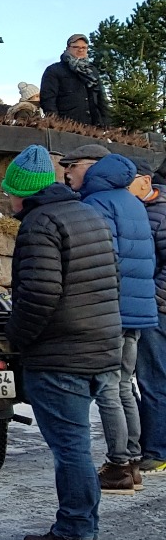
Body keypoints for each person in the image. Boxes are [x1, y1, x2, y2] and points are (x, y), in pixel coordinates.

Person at [0, 145, 123, 540]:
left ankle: (74, 530)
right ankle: (81, 524)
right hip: (100, 343)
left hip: (60, 352)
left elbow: (38, 293)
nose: (8, 201)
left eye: (9, 193)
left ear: (24, 192)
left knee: (70, 447)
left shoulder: (39, 224)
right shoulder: (88, 213)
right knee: (77, 444)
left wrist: (17, 338)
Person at [76, 154, 159, 494]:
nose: (69, 173)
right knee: (124, 384)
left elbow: (99, 256)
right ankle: (133, 463)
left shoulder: (97, 204)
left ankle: (118, 467)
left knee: (109, 386)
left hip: (111, 308)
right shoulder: (134, 204)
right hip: (137, 308)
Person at [137, 158, 166, 477]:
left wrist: (153, 298)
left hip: (156, 310)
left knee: (153, 379)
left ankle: (157, 451)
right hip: (151, 307)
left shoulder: (160, 212)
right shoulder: (146, 209)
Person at [41, 34, 109, 127]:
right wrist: (55, 123)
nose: (80, 50)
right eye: (76, 47)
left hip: (94, 128)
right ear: (68, 48)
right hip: (66, 128)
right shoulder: (54, 70)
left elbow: (102, 99)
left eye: (84, 47)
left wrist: (107, 123)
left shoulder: (92, 71)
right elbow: (48, 100)